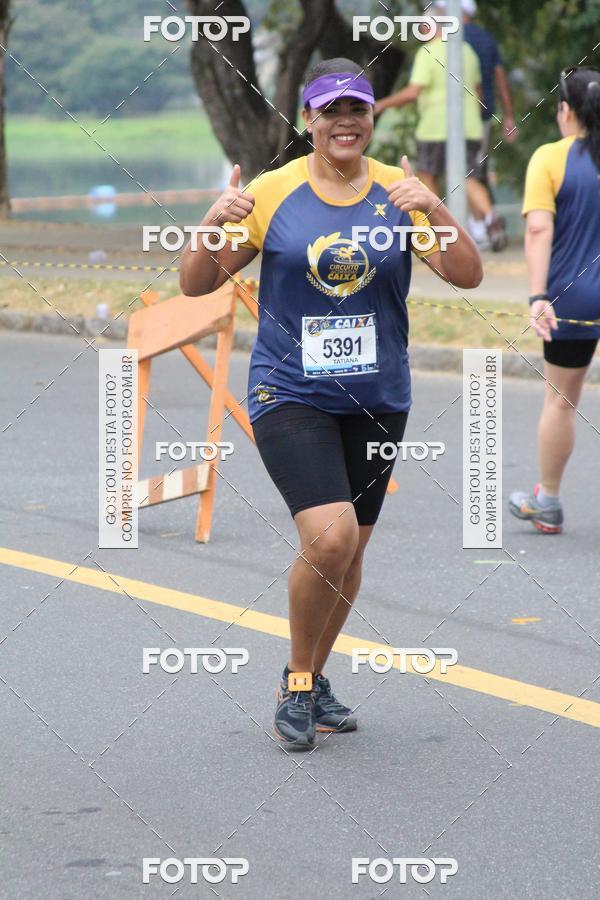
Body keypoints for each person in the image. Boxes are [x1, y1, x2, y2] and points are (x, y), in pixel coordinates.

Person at [180, 58, 482, 747]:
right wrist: (210, 221)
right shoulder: (271, 191)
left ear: (371, 119)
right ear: (308, 121)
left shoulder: (399, 191)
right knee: (330, 536)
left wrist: (432, 207)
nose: (345, 122)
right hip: (289, 391)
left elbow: (467, 274)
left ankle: (314, 680)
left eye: (357, 110)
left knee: (348, 554)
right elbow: (197, 283)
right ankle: (294, 679)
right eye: (330, 111)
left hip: (378, 397)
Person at [509, 66, 600, 534]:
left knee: (561, 400)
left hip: (574, 299)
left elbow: (538, 228)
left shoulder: (549, 159)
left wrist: (539, 295)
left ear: (565, 111)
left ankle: (547, 501)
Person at [374, 4, 506, 250]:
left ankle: (433, 230)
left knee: (427, 176)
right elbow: (479, 96)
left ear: (429, 27)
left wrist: (382, 104)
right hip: (470, 127)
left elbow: (414, 91)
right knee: (469, 177)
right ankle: (490, 217)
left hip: (435, 127)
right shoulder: (467, 51)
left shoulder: (429, 52)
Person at [437, 0, 518, 249]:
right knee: (474, 170)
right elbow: (500, 78)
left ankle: (480, 227)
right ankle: (479, 226)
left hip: (453, 119)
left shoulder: (450, 40)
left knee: (465, 172)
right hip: (483, 118)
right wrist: (509, 116)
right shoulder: (487, 38)